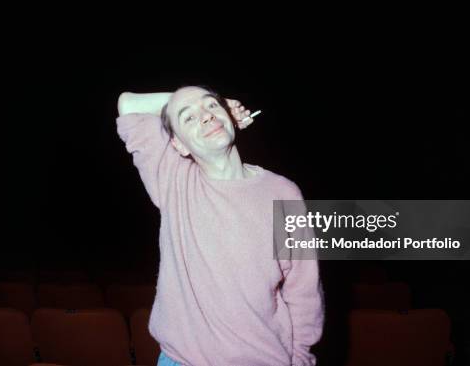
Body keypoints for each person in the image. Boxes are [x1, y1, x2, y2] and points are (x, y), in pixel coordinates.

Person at [116, 86, 324, 366]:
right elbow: (128, 105)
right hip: (182, 360)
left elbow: (304, 290)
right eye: (188, 118)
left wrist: (299, 358)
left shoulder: (283, 192)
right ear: (178, 144)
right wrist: (220, 103)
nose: (204, 117)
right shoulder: (172, 180)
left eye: (211, 108)